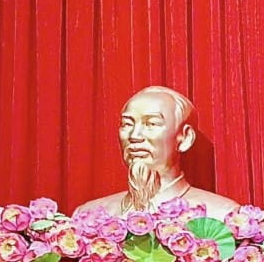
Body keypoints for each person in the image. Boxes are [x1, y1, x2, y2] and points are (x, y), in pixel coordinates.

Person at [75, 86, 240, 219]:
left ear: (185, 138)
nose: (134, 136)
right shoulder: (88, 216)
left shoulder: (221, 215)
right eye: (127, 124)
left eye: (151, 124)